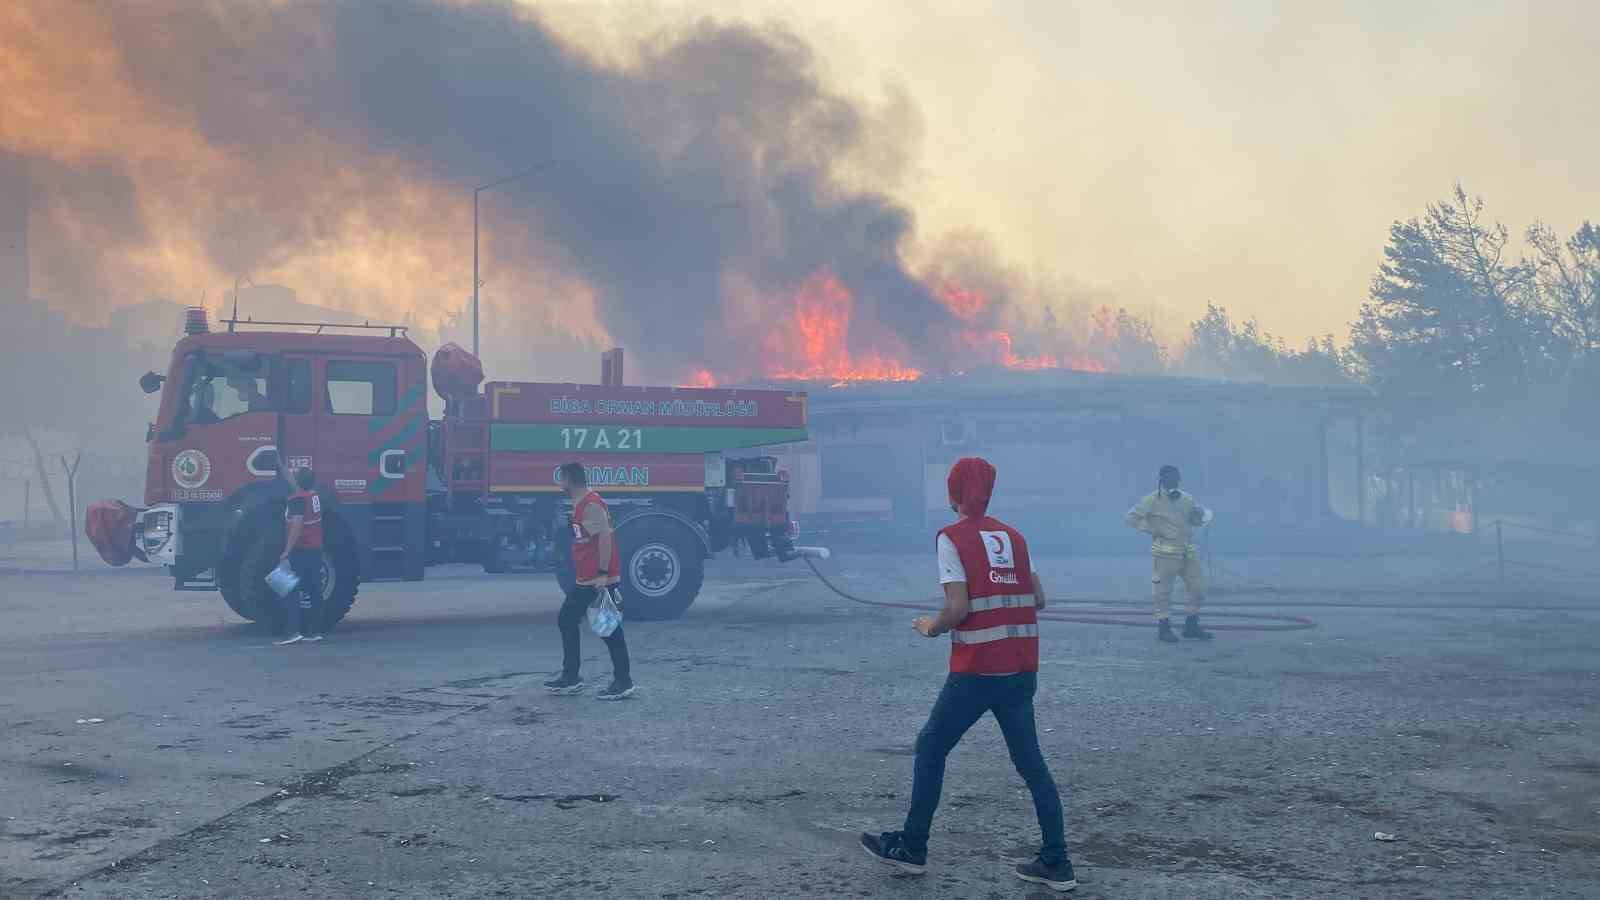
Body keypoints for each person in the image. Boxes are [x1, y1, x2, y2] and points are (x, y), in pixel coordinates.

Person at [861, 457, 1076, 892]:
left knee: (930, 746)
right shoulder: (1014, 537)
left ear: (952, 493)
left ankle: (912, 848)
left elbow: (958, 608)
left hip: (978, 670)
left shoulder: (951, 539)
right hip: (1020, 667)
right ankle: (1057, 861)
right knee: (1031, 763)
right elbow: (1038, 598)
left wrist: (931, 626)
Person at [543, 462, 634, 700]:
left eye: (561, 479)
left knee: (608, 629)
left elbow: (604, 538)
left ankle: (621, 681)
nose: (559, 484)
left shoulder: (590, 505)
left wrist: (603, 574)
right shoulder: (581, 505)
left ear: (570, 479)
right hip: (588, 578)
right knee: (570, 620)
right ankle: (572, 677)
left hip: (597, 579)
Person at [1125, 464, 1214, 643]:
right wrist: (1152, 530)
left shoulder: (1187, 499)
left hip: (1187, 552)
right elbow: (1131, 518)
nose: (1173, 481)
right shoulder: (1151, 500)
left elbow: (1197, 521)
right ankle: (1164, 627)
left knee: (1199, 587)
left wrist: (1199, 516)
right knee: (1162, 591)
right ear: (1161, 480)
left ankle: (1191, 624)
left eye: (1176, 478)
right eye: (1169, 478)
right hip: (1164, 553)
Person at [276, 465, 324, 646]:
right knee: (314, 591)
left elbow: (297, 524)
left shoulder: (296, 500)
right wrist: (281, 466)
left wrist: (287, 550)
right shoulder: (313, 496)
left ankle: (292, 631)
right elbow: (295, 482)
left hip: (300, 550)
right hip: (315, 549)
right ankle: (314, 631)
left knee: (288, 589)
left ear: (297, 482)